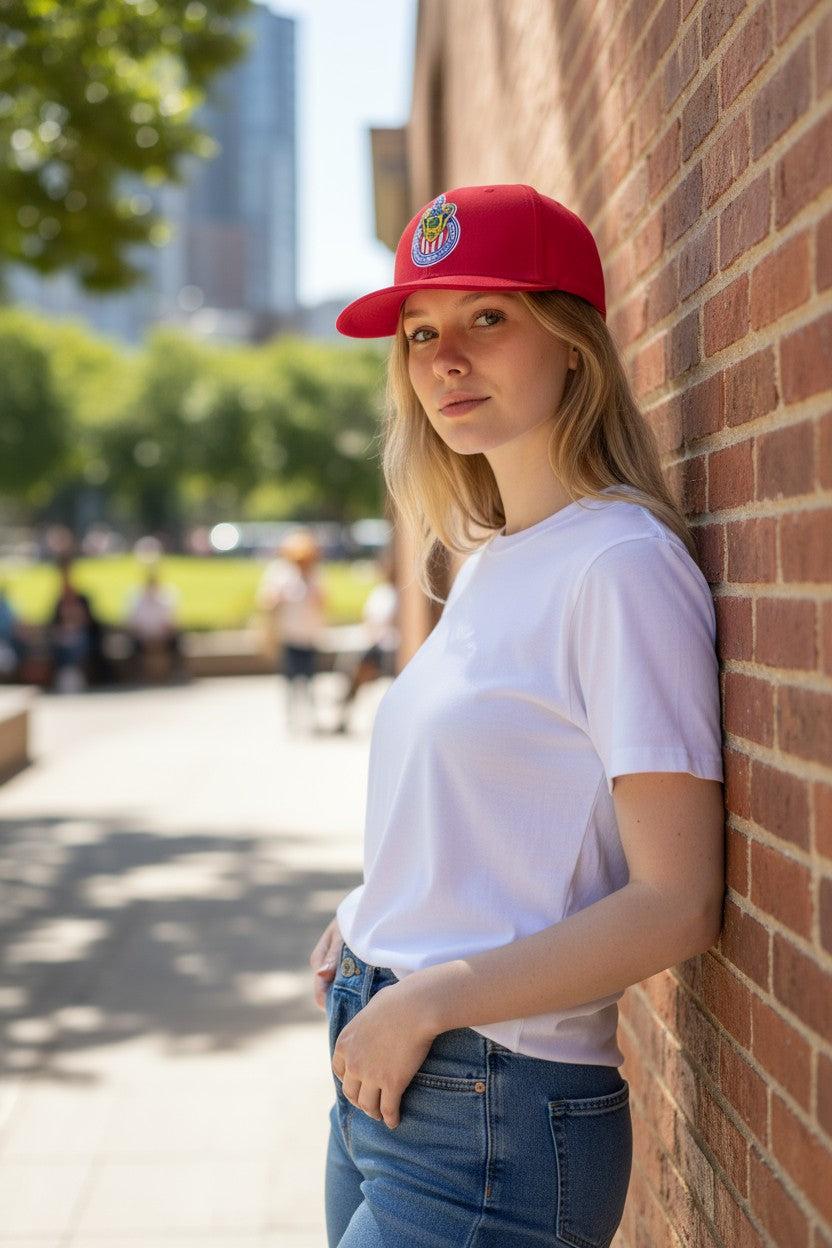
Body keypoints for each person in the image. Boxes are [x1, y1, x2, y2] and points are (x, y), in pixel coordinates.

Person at [307, 184, 725, 1247]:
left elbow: (678, 904)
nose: (443, 356)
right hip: (393, 1068)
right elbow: (501, 811)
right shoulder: (490, 561)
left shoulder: (620, 567)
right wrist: (375, 915)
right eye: (418, 333)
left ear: (573, 342)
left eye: (485, 317)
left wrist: (424, 998)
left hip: (490, 1106)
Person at [257, 529, 326, 732]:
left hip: (309, 634)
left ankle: (310, 717)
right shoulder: (279, 572)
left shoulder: (315, 574)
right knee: (290, 679)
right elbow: (266, 600)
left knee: (310, 678)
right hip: (289, 634)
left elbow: (323, 601)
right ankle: (290, 718)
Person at [332, 546, 398, 734]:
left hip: (389, 648)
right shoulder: (381, 593)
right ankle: (343, 712)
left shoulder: (398, 594)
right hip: (378, 645)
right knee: (354, 671)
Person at [48, 557, 108, 691]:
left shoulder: (83, 599)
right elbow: (53, 625)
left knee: (79, 644)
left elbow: (92, 624)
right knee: (62, 645)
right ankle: (68, 676)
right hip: (64, 638)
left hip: (83, 636)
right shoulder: (58, 602)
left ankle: (74, 676)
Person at [124, 566, 183, 680]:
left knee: (178, 641)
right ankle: (136, 675)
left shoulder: (168, 596)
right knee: (130, 645)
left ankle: (176, 672)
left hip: (163, 637)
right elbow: (132, 624)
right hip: (142, 637)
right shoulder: (135, 598)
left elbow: (172, 622)